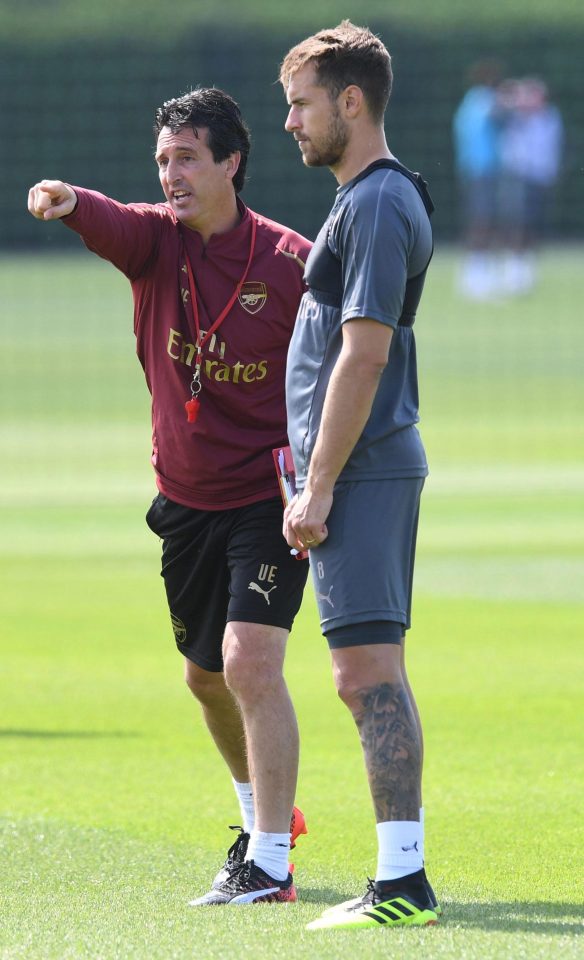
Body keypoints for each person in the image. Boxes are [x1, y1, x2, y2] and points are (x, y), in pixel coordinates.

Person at [27, 87, 311, 906]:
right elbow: (110, 218)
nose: (172, 175)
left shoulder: (290, 262)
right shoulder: (156, 241)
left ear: (232, 162)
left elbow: (335, 368)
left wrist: (321, 481)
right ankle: (268, 817)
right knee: (204, 679)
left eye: (188, 158)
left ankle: (267, 868)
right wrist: (70, 199)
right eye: (163, 161)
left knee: (248, 661)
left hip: (269, 496)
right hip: (184, 499)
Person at [279, 22, 439, 929]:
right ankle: (400, 877)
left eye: (302, 104)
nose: (293, 123)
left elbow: (365, 356)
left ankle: (403, 884)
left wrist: (322, 481)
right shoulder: (360, 199)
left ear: (351, 101)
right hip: (357, 472)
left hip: (365, 473)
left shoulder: (377, 202)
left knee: (367, 674)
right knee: (363, 672)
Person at [497, 76, 564, 295]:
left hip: (539, 178)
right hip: (518, 176)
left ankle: (526, 270)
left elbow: (552, 148)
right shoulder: (515, 117)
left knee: (533, 224)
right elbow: (499, 110)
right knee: (516, 222)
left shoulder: (550, 118)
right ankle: (512, 271)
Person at [452, 58, 503, 300]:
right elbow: (499, 112)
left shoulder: (470, 101)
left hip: (475, 169)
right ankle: (476, 274)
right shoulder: (483, 99)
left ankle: (477, 271)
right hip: (481, 170)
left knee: (481, 219)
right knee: (482, 220)